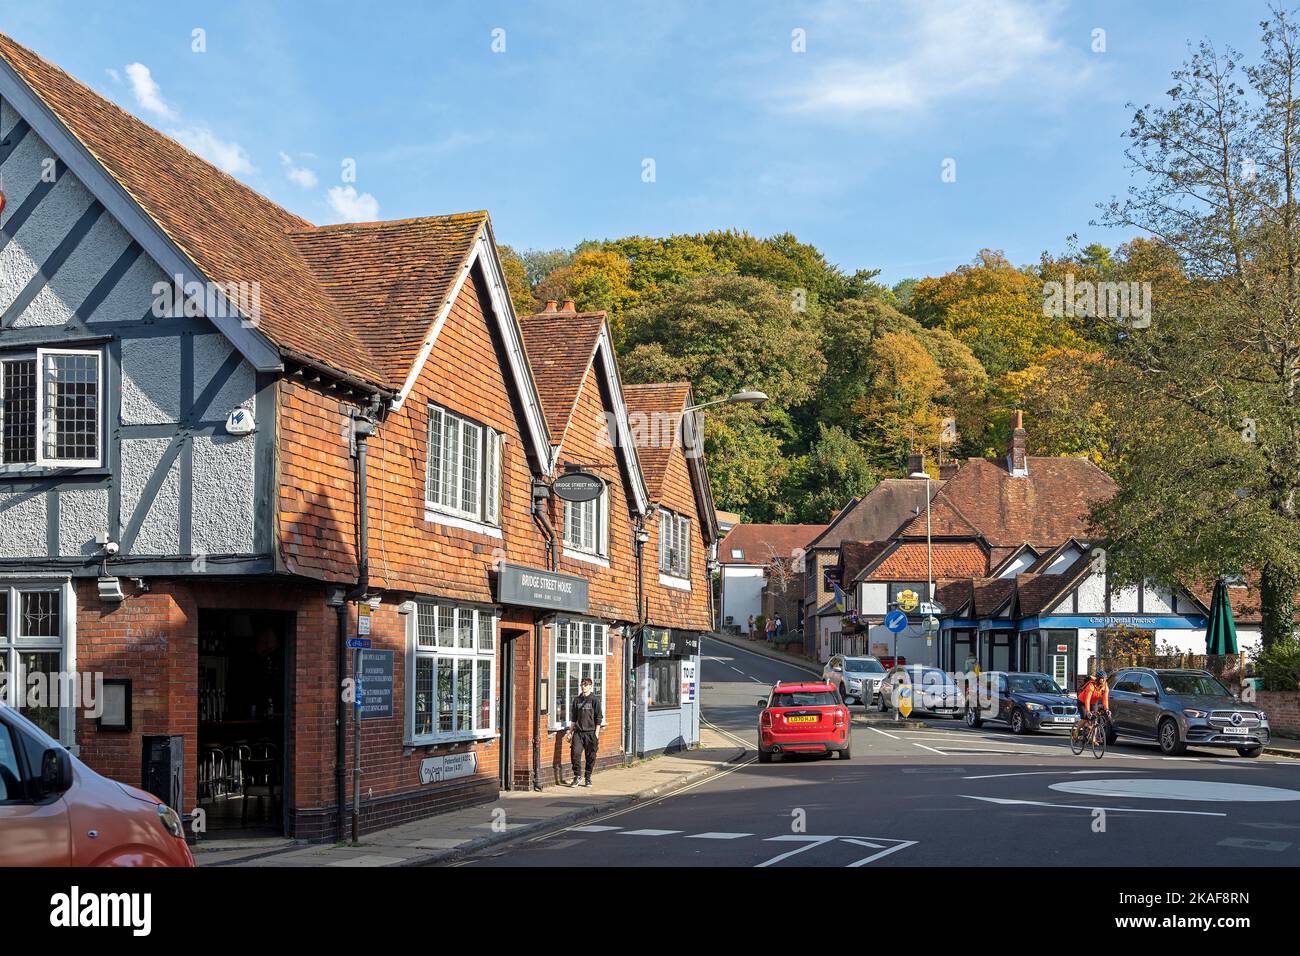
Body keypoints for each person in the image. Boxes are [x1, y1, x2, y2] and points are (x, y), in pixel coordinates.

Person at [567, 677, 603, 787]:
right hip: (578, 732)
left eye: (586, 685)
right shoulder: (577, 700)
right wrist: (570, 731)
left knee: (591, 756)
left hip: (591, 733)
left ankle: (588, 777)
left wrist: (596, 734)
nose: (583, 687)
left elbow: (599, 718)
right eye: (582, 685)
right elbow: (574, 718)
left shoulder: (595, 700)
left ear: (590, 686)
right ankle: (577, 776)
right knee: (575, 754)